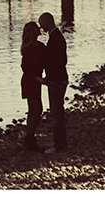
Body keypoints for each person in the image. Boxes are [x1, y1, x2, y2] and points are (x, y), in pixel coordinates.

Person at [39, 12, 67, 153]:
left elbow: (57, 62)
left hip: (57, 80)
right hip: (59, 79)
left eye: (41, 24)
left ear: (47, 22)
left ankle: (59, 145)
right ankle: (60, 143)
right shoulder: (57, 37)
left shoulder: (55, 39)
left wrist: (48, 79)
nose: (40, 27)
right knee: (57, 112)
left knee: (56, 114)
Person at [19, 20, 46, 152]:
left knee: (33, 109)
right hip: (31, 80)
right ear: (32, 32)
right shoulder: (29, 49)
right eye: (36, 27)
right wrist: (38, 79)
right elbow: (25, 67)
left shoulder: (41, 46)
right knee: (37, 108)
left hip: (36, 79)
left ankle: (29, 138)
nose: (39, 28)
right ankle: (30, 138)